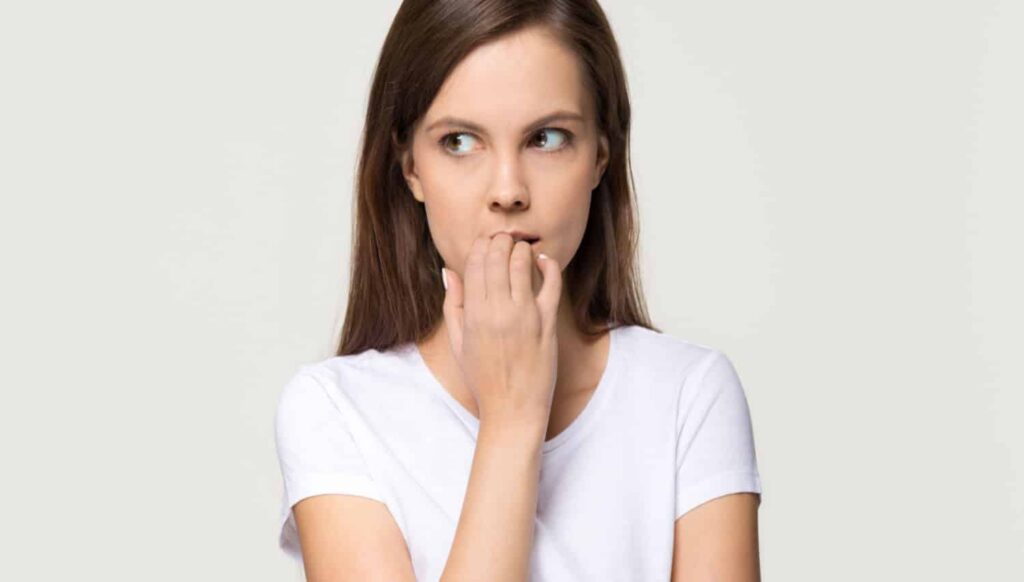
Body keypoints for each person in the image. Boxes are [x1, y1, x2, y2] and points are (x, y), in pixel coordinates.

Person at [273, 1, 763, 580]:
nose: (507, 190)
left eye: (547, 138)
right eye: (459, 141)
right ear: (410, 168)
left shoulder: (688, 394)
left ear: (600, 156)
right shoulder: (335, 410)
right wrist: (510, 421)